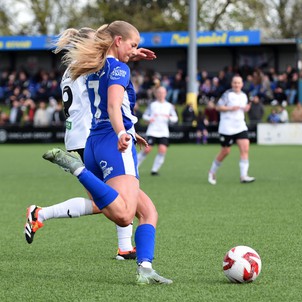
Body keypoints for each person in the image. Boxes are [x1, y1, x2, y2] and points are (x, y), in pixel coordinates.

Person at [27, 21, 172, 285]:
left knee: (147, 211)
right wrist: (122, 132)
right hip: (109, 138)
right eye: (132, 44)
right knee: (124, 213)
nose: (135, 49)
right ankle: (76, 171)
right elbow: (114, 105)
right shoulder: (114, 67)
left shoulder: (89, 66)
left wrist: (130, 52)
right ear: (116, 41)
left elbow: (110, 71)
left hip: (90, 138)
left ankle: (145, 267)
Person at [208, 75, 255, 185]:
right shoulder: (227, 94)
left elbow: (243, 109)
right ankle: (212, 172)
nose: (236, 85)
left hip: (240, 126)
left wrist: (246, 109)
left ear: (242, 84)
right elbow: (218, 107)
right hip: (227, 127)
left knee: (245, 149)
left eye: (238, 83)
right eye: (235, 83)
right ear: (232, 84)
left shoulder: (244, 96)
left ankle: (243, 176)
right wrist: (230, 108)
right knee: (225, 151)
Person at [136, 86, 178, 175]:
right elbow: (145, 116)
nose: (161, 94)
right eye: (159, 92)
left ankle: (154, 170)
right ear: (156, 94)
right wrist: (149, 118)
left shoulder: (169, 106)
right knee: (147, 149)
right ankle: (135, 167)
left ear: (165, 94)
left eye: (163, 92)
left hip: (163, 132)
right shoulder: (152, 105)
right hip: (152, 131)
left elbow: (175, 118)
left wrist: (170, 118)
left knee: (162, 150)